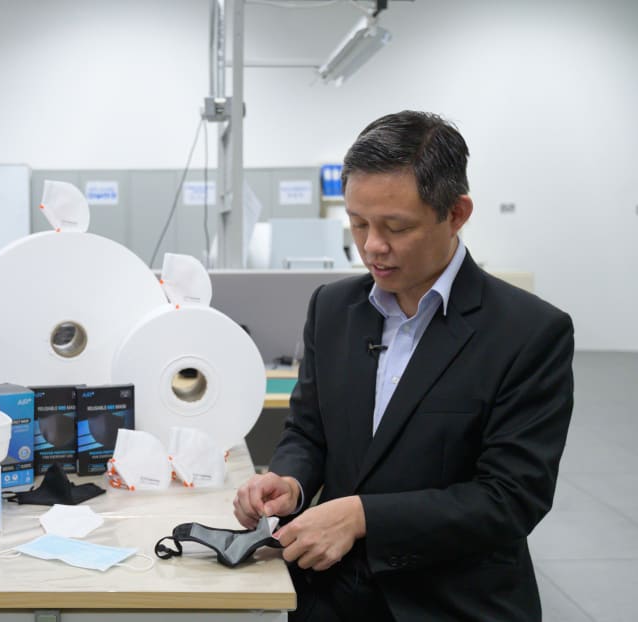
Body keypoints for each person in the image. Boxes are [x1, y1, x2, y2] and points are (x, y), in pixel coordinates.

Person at [233, 110, 574, 621]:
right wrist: (289, 481)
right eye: (358, 222)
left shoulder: (528, 333)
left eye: (397, 226)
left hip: (452, 601)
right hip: (332, 596)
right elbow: (309, 431)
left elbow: (510, 498)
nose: (372, 246)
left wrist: (362, 516)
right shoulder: (332, 309)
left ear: (456, 213)